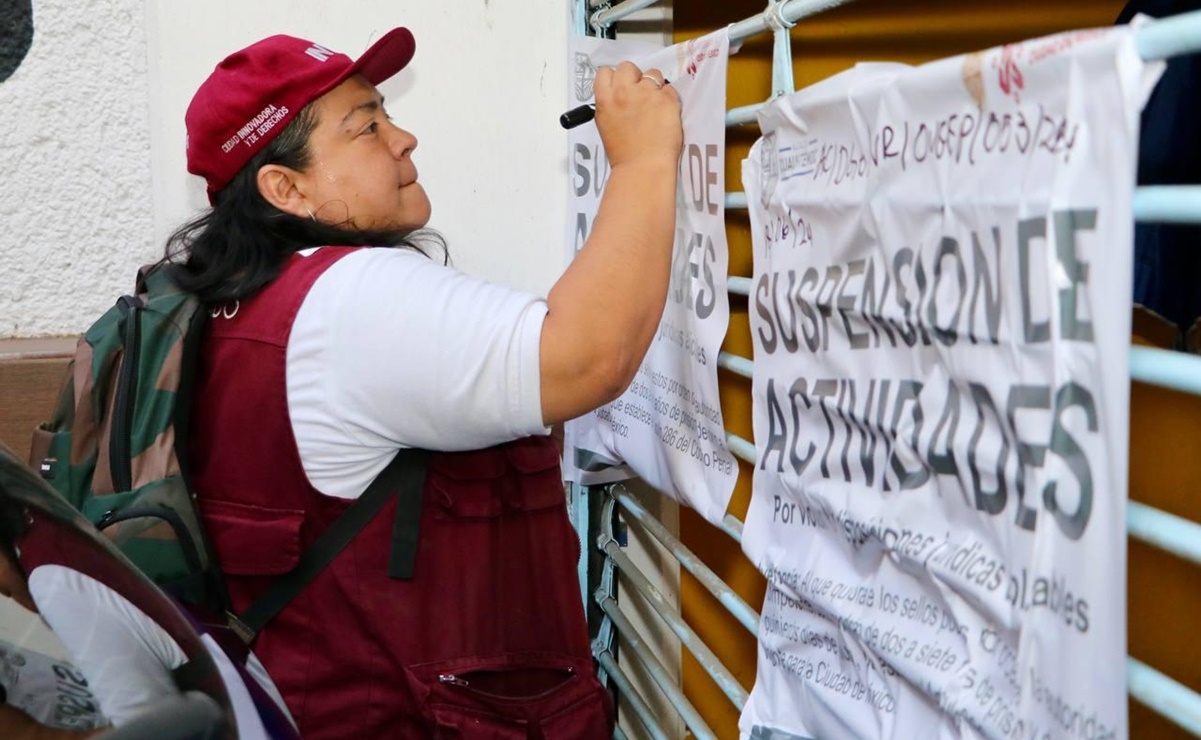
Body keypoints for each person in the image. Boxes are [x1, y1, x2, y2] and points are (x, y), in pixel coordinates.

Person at [167, 24, 682, 740]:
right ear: (285, 186)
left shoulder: (239, 300)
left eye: (386, 112)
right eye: (367, 126)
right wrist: (645, 161)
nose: (403, 138)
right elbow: (588, 357)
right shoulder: (352, 301)